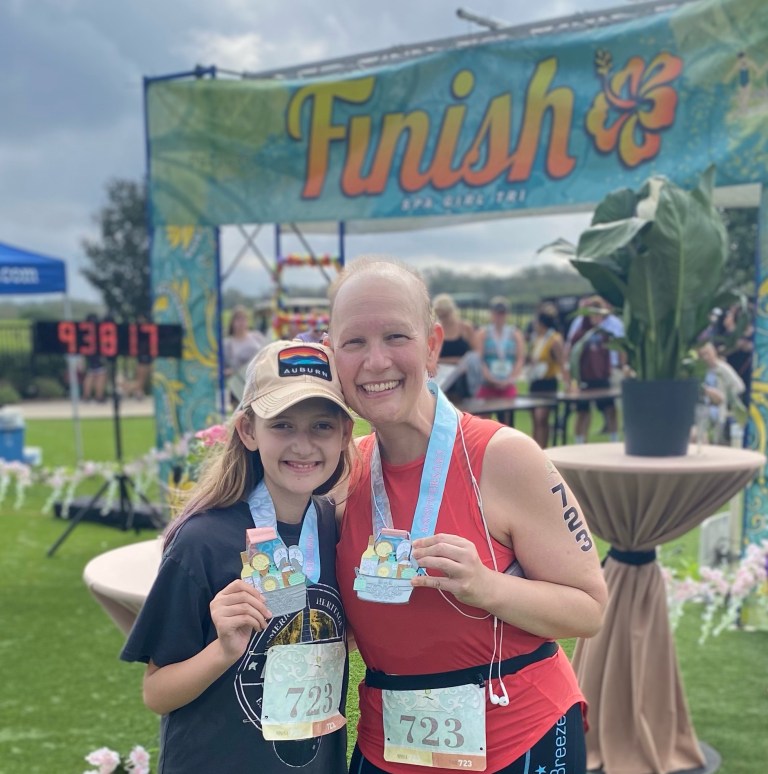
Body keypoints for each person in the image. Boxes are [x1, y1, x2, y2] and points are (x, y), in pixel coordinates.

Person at [327, 258, 607, 774]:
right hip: (388, 748)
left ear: (433, 345)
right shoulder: (342, 474)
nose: (376, 361)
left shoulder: (505, 457)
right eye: (354, 343)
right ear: (333, 356)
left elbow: (589, 608)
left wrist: (486, 586)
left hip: (519, 738)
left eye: (395, 336)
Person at [120, 340, 355, 773]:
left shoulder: (332, 527)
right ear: (248, 431)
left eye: (321, 426)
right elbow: (156, 693)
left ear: (344, 434)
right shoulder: (201, 542)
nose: (303, 446)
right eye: (282, 425)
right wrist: (224, 650)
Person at [563, 296, 623, 443]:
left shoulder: (605, 335)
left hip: (602, 379)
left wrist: (620, 367)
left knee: (610, 410)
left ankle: (614, 441)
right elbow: (570, 357)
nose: (596, 318)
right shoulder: (579, 334)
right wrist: (570, 381)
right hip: (585, 380)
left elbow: (617, 352)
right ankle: (579, 443)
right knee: (583, 413)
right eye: (593, 314)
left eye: (599, 315)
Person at [527, 302, 565, 448]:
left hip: (548, 382)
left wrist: (569, 383)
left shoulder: (554, 339)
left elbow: (561, 362)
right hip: (535, 381)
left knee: (542, 417)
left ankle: (544, 448)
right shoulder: (536, 338)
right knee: (535, 420)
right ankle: (535, 448)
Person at [475, 296, 527, 399]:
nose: (499, 317)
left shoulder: (515, 334)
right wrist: (490, 378)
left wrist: (510, 379)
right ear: (492, 314)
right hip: (487, 384)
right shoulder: (483, 333)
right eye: (497, 313)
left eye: (503, 313)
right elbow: (479, 359)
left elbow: (520, 359)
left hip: (508, 383)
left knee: (507, 413)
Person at [696, 340, 747, 445]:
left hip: (720, 413)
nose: (705, 357)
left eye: (707, 353)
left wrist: (730, 402)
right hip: (702, 413)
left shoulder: (723, 369)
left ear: (714, 352)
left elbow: (739, 387)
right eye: (702, 355)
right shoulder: (698, 370)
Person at [432, 292, 479, 402]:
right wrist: (453, 360)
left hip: (463, 377)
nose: (443, 319)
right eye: (440, 316)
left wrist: (464, 363)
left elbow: (477, 353)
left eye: (445, 315)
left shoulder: (465, 328)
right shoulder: (435, 330)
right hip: (442, 375)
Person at [224, 305, 267, 405]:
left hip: (258, 386)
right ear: (232, 322)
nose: (241, 322)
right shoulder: (227, 344)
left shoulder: (257, 337)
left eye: (243, 319)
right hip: (239, 389)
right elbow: (223, 369)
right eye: (238, 319)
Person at [81, 312, 108, 403]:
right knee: (97, 374)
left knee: (93, 373)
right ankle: (97, 396)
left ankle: (88, 396)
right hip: (94, 356)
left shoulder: (84, 331)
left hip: (89, 356)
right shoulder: (95, 331)